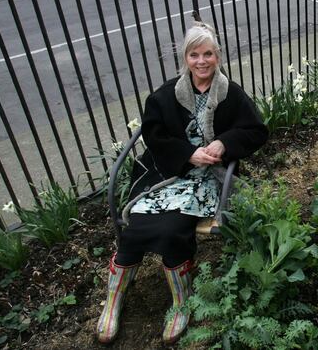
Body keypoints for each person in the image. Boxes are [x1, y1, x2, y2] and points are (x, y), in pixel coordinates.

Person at [96, 22, 268, 344]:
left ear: (217, 56)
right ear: (185, 58)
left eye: (208, 54)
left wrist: (223, 144)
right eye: (194, 55)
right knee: (135, 228)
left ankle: (181, 303)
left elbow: (256, 130)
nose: (201, 61)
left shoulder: (230, 94)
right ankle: (113, 301)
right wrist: (188, 154)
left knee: (172, 229)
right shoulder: (168, 94)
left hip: (207, 179)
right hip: (167, 172)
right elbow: (154, 134)